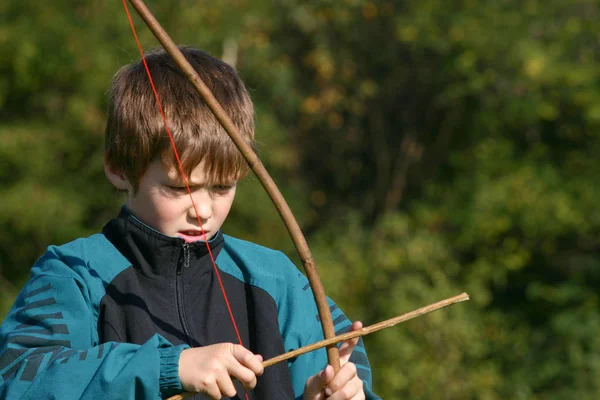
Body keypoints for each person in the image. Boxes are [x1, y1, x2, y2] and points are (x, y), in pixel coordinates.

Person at [0, 47, 379, 400]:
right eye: (180, 186)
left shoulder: (276, 282)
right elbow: (18, 377)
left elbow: (344, 360)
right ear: (118, 168)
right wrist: (170, 367)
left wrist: (329, 392)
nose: (202, 209)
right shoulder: (74, 275)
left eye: (221, 186)